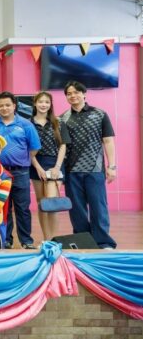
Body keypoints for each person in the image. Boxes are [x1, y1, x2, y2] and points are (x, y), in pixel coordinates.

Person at [60, 81, 117, 249]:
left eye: (76, 92)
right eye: (69, 93)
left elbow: (108, 141)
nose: (73, 96)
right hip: (71, 171)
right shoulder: (62, 118)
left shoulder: (100, 114)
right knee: (77, 210)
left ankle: (103, 242)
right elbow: (61, 147)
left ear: (84, 94)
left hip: (95, 170)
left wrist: (112, 166)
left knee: (98, 207)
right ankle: (83, 241)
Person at [0, 91, 41, 249]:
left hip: (21, 172)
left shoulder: (26, 125)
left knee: (22, 208)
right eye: (1, 105)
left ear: (14, 106)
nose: (4, 108)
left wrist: (21, 159)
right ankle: (6, 239)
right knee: (3, 207)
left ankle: (26, 241)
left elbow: (34, 148)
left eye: (7, 105)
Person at [30, 91, 70, 241]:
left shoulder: (58, 122)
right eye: (40, 101)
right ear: (35, 103)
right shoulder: (28, 123)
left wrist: (57, 167)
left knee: (52, 203)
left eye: (47, 102)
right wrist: (38, 168)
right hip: (35, 163)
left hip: (55, 164)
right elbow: (28, 149)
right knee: (41, 203)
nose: (43, 105)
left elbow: (63, 146)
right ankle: (46, 239)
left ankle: (53, 240)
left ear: (50, 104)